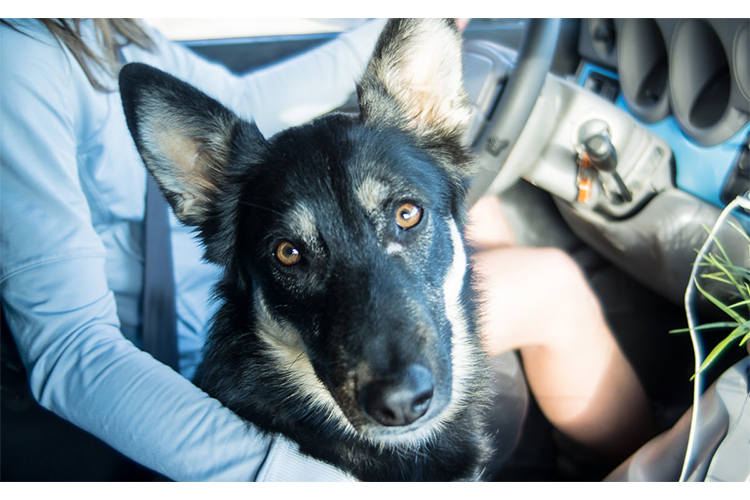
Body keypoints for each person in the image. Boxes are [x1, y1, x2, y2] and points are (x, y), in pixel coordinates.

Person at [1, 18, 654, 481]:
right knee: (553, 286)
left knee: (490, 219)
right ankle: (651, 465)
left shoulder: (101, 27)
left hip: (203, 298)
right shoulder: (19, 59)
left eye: (404, 216)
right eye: (294, 255)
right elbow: (68, 349)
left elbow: (247, 102)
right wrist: (289, 478)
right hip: (172, 352)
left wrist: (406, 35)